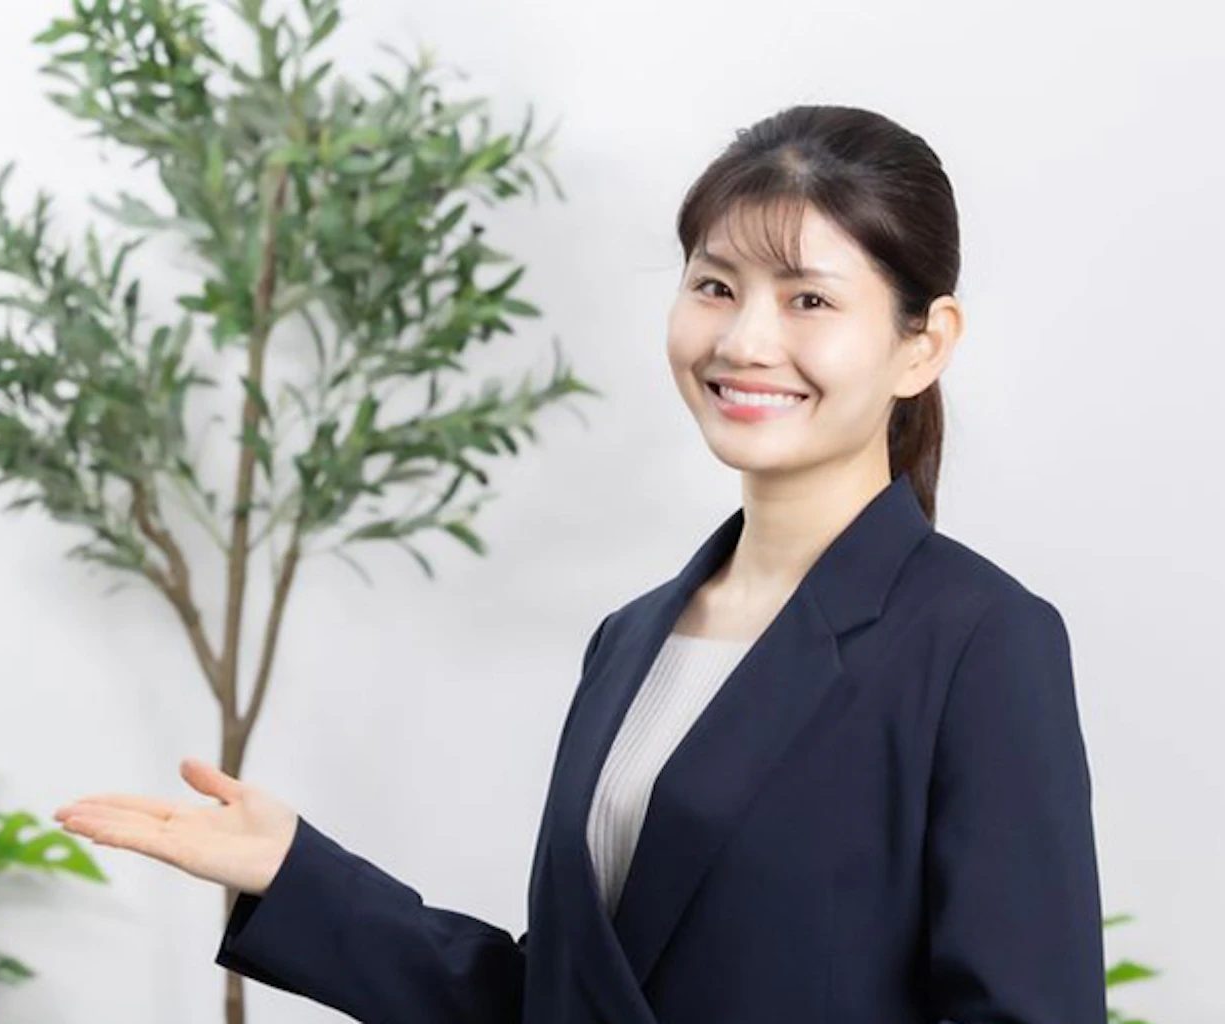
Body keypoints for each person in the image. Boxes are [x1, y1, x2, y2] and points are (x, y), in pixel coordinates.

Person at [54, 103, 1106, 1024]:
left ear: (923, 344)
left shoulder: (977, 641)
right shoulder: (633, 639)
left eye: (808, 300)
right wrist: (298, 875)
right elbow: (560, 998)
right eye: (714, 285)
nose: (744, 340)